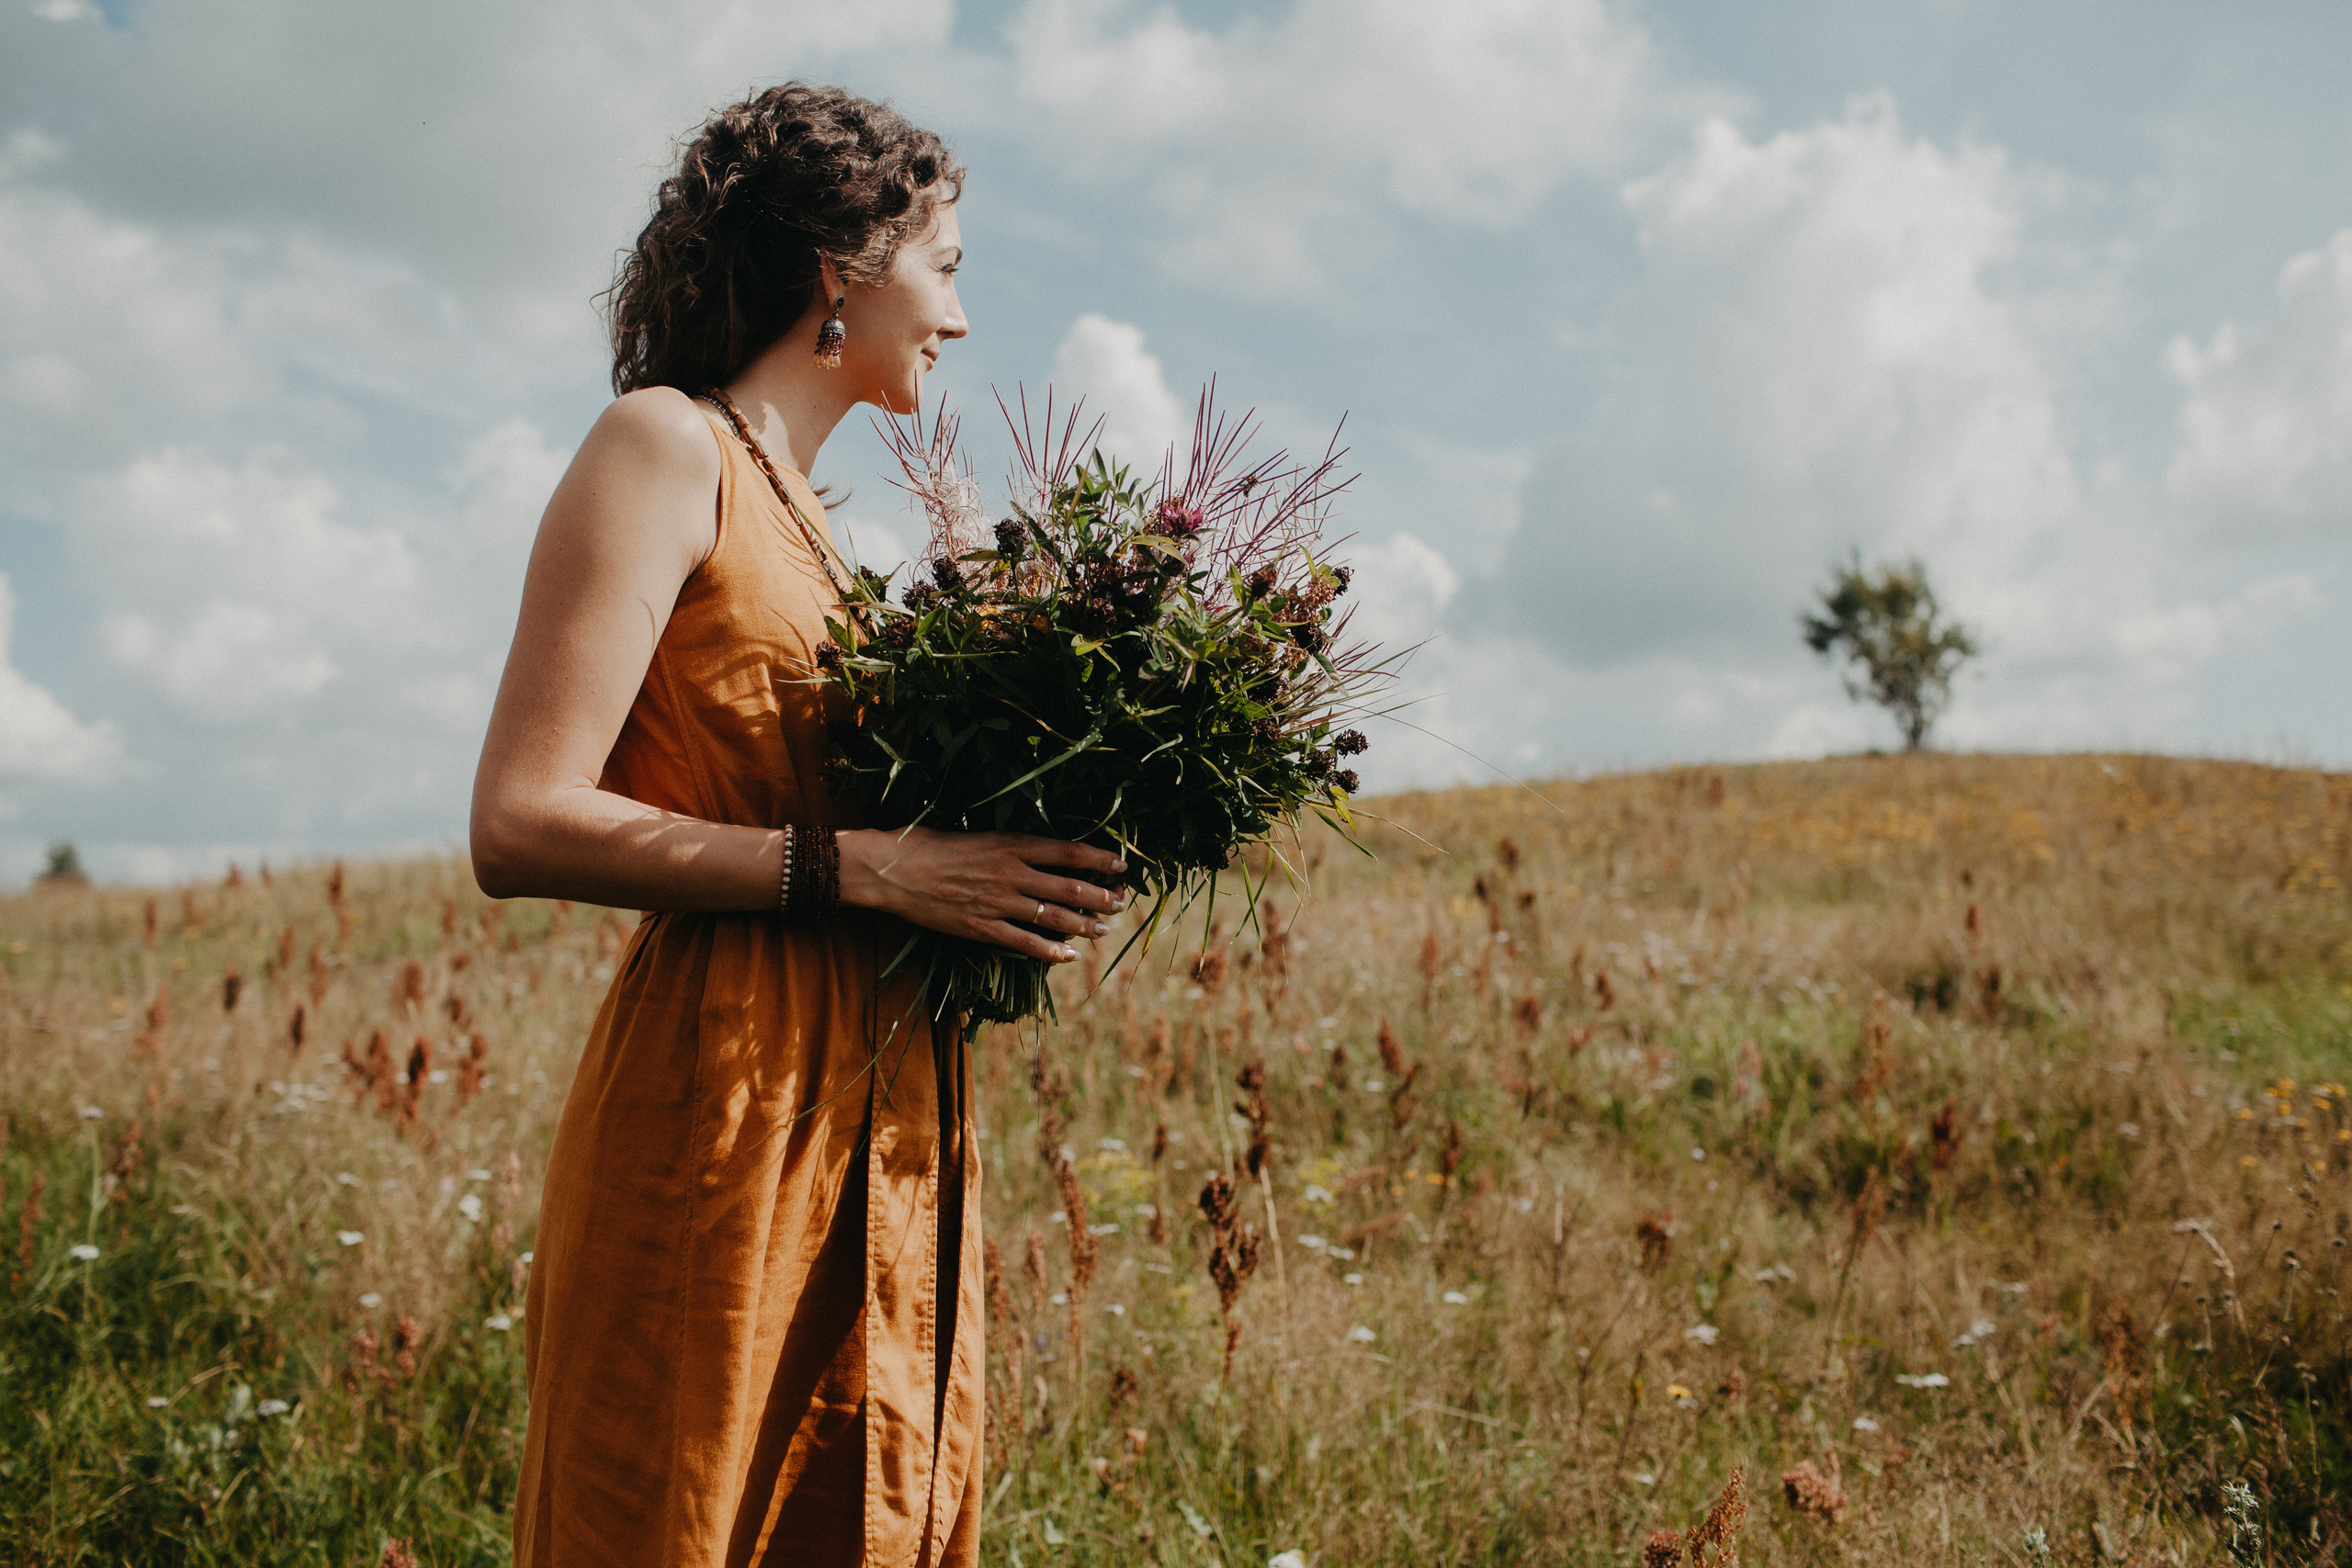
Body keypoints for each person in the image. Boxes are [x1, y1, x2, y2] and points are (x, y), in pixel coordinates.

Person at [469, 82, 1123, 1567]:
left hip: (883, 1099)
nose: (959, 320)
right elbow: (518, 822)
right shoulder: (661, 446)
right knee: (681, 1504)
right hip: (724, 1089)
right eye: (946, 268)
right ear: (843, 265)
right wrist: (879, 869)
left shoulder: (835, 530)